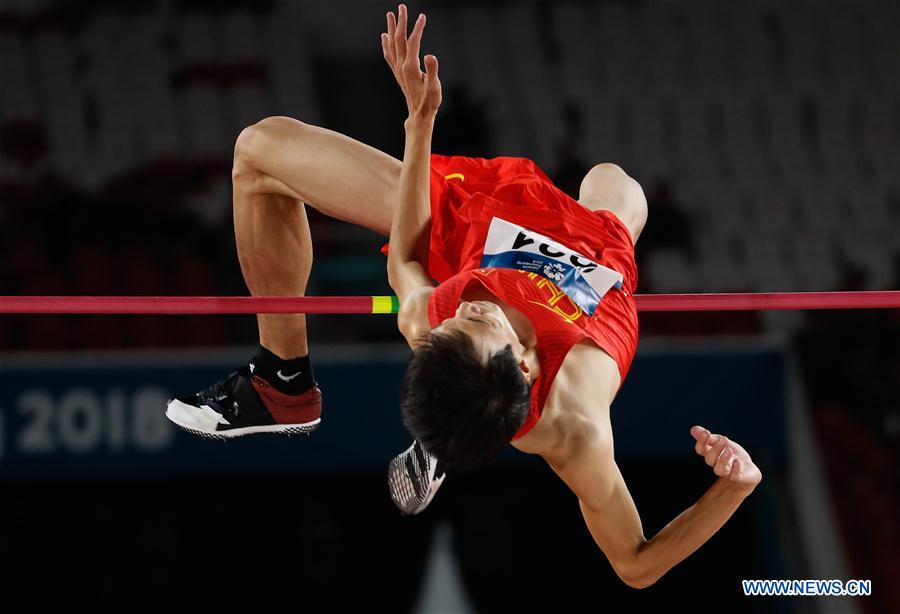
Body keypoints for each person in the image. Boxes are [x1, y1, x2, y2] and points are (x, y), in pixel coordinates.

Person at [166, 5, 762, 588]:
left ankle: (282, 381)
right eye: (480, 324)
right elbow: (637, 562)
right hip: (590, 257)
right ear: (524, 367)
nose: (469, 309)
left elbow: (407, 257)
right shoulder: (578, 428)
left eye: (451, 328)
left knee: (260, 147)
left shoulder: (433, 318)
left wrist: (418, 123)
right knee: (615, 182)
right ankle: (443, 436)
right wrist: (735, 486)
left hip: (471, 237)